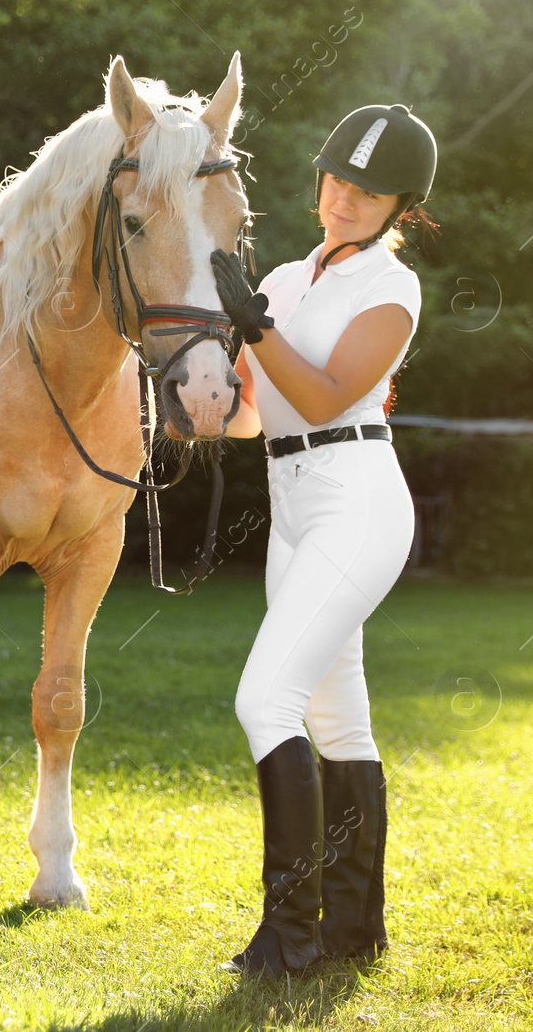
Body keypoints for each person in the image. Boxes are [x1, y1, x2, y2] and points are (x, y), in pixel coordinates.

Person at [208, 104, 439, 975]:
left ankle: (288, 935)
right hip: (293, 501)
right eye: (336, 178)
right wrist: (175, 394)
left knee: (265, 699)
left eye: (367, 190)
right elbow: (247, 416)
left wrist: (253, 326)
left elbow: (322, 395)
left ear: (398, 206)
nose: (343, 198)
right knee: (339, 716)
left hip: (359, 499)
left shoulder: (392, 288)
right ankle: (351, 928)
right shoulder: (282, 277)